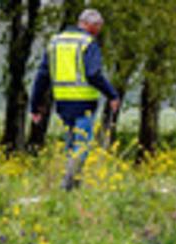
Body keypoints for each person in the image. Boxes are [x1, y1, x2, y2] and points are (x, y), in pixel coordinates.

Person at [30, 9, 120, 191]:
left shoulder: (54, 42)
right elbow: (93, 73)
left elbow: (42, 76)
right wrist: (112, 94)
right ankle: (69, 186)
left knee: (71, 145)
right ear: (91, 25)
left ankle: (72, 187)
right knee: (82, 146)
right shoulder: (87, 43)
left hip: (63, 104)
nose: (98, 31)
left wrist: (35, 105)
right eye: (98, 27)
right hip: (84, 104)